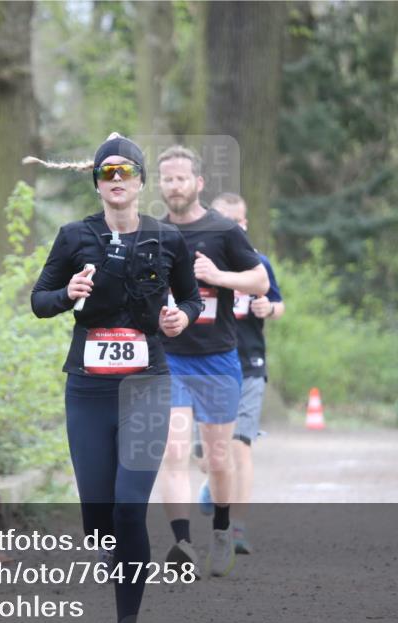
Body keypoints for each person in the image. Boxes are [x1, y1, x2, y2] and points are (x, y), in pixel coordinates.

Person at [30, 133, 203, 623]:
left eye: (126, 172)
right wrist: (68, 294)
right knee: (99, 517)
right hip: (88, 389)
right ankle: (117, 556)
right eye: (108, 173)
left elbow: (191, 298)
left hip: (147, 383)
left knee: (130, 508)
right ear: (98, 183)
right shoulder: (73, 236)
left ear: (141, 182)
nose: (117, 180)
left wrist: (181, 317)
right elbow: (39, 301)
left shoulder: (167, 239)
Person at [155, 145, 269, 578]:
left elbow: (260, 280)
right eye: (167, 179)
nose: (174, 186)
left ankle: (221, 531)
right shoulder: (153, 233)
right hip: (171, 360)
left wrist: (217, 277)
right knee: (174, 452)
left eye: (182, 178)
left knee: (218, 460)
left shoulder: (223, 231)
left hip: (218, 360)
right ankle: (182, 543)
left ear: (198, 182)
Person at [210, 192, 284, 556]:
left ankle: (236, 526)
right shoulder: (200, 264)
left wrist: (267, 307)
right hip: (209, 367)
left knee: (240, 446)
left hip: (249, 365)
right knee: (209, 454)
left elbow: (279, 304)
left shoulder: (258, 263)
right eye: (222, 220)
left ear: (245, 224)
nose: (230, 227)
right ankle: (215, 485)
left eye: (236, 221)